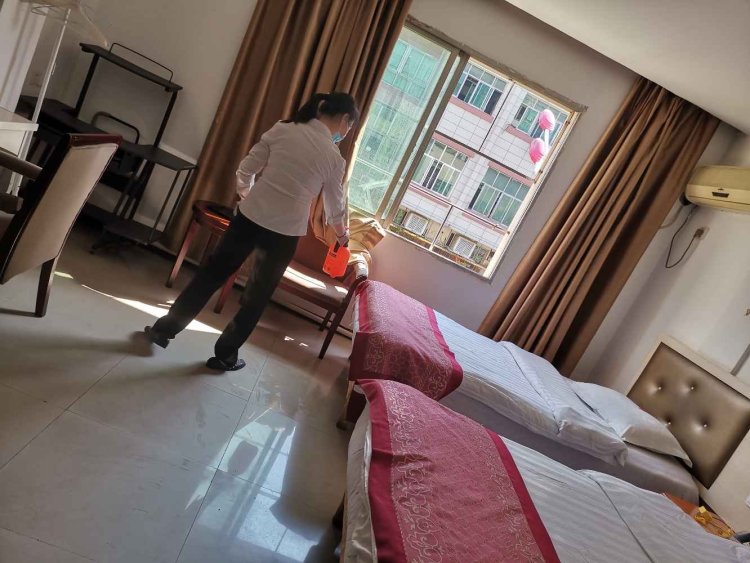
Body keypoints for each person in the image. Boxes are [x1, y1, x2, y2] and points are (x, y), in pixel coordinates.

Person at [144, 92, 359, 371]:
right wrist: (343, 237)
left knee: (210, 276)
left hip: (249, 218)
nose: (346, 132)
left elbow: (245, 170)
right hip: (284, 233)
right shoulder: (333, 158)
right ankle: (225, 355)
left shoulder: (283, 129)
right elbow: (335, 207)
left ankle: (163, 330)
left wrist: (249, 196)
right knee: (256, 297)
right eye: (350, 125)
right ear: (344, 119)